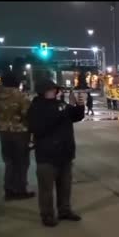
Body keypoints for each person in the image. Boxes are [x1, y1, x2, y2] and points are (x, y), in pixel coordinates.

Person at [28, 79, 85, 227]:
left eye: (55, 89)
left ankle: (64, 210)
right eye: (51, 89)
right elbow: (39, 128)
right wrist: (60, 113)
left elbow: (76, 116)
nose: (54, 91)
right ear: (43, 91)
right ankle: (47, 215)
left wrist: (79, 105)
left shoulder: (61, 105)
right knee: (46, 189)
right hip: (47, 155)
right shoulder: (36, 107)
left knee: (65, 186)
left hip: (65, 153)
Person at [0, 71, 34, 201]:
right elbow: (27, 113)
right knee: (22, 162)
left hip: (4, 132)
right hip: (19, 132)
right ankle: (20, 189)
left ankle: (9, 189)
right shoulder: (20, 96)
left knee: (9, 162)